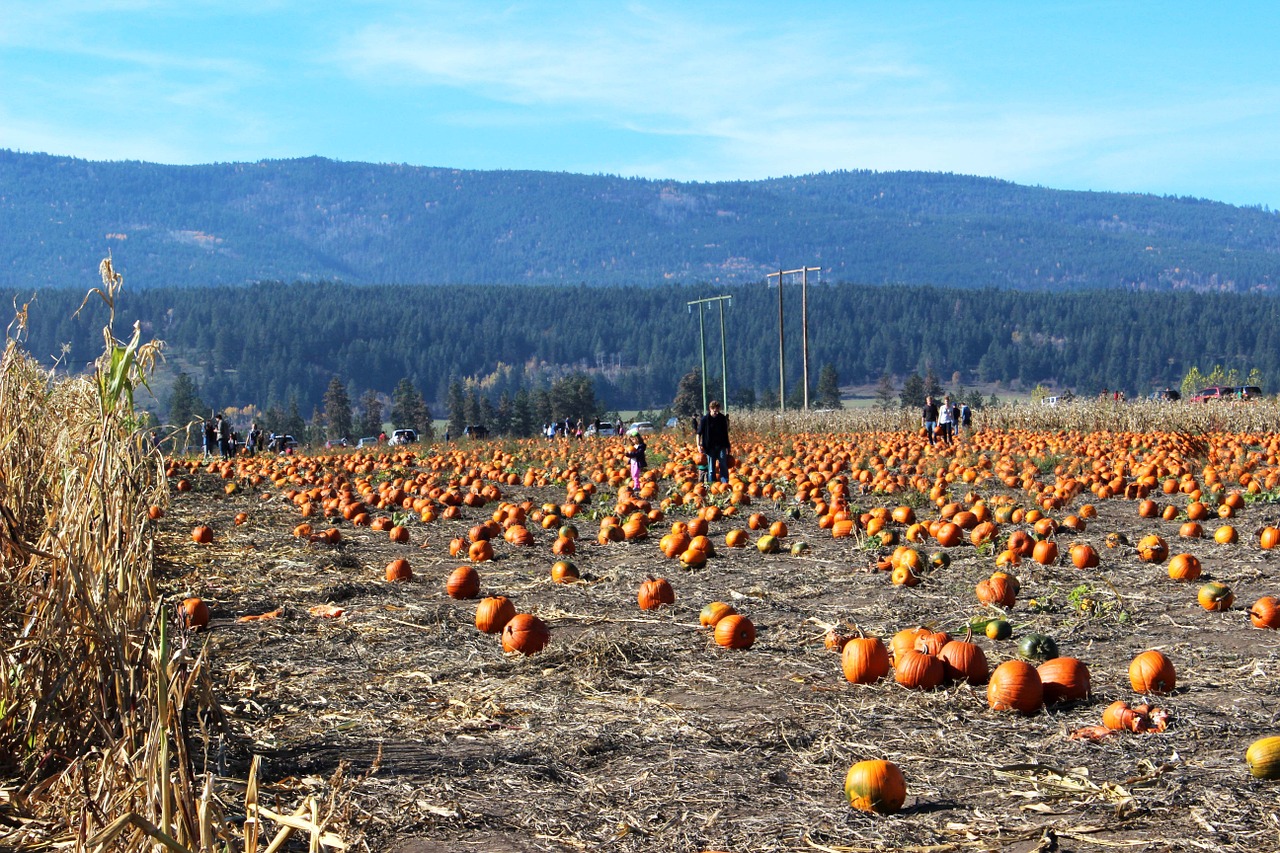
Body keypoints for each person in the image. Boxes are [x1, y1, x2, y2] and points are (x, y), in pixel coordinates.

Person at [697, 400, 731, 484]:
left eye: (717, 410)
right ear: (710, 409)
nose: (716, 412)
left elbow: (725, 433)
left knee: (723, 465)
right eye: (714, 411)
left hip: (721, 445)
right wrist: (698, 445)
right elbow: (699, 433)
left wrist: (728, 445)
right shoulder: (705, 419)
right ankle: (712, 484)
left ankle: (725, 483)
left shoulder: (722, 418)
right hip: (709, 447)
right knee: (711, 468)